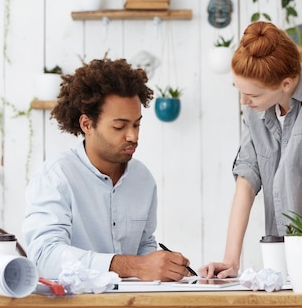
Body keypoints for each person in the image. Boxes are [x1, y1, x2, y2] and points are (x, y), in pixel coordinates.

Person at [199, 21, 302, 279]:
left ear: (286, 84)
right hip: (286, 259)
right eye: (240, 91)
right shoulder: (256, 109)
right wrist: (231, 261)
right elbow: (246, 179)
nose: (244, 101)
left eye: (252, 95)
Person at [23, 58, 193, 281]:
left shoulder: (143, 180)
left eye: (136, 124)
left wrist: (163, 266)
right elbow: (44, 256)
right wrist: (133, 266)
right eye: (119, 126)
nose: (133, 136)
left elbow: (143, 245)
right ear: (87, 125)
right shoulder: (55, 177)